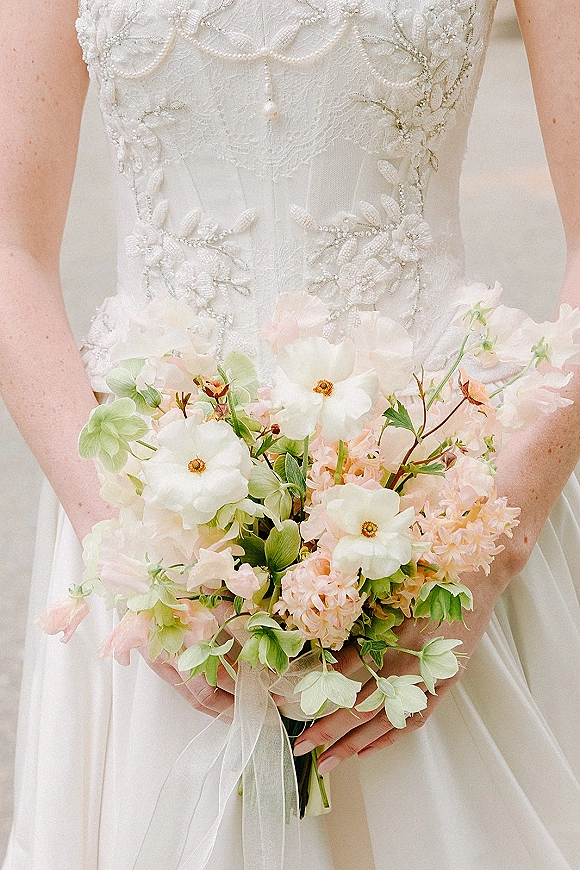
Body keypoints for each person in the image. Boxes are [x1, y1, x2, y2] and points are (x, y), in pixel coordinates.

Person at [2, 0, 580, 867]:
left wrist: (489, 553)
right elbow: (8, 245)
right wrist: (130, 552)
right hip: (149, 518)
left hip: (448, 507)